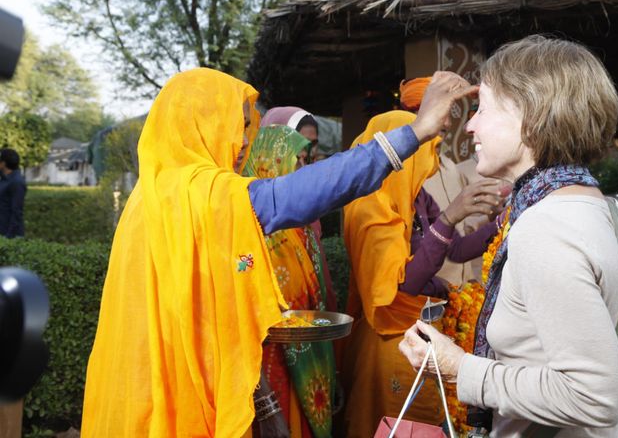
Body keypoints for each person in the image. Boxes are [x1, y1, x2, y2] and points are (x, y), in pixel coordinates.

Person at [80, 67, 472, 437]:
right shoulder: (202, 194)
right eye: (237, 126)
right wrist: (415, 132)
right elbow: (301, 195)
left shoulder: (152, 195)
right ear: (200, 123)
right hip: (174, 389)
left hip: (145, 383)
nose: (245, 142)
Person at [400, 36, 618, 438]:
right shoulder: (617, 218)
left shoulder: (545, 228)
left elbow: (594, 396)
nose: (471, 124)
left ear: (531, 115)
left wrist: (458, 365)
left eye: (483, 108)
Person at [339, 110, 507, 437]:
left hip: (420, 332)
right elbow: (405, 284)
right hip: (389, 342)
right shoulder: (371, 206)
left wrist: (502, 223)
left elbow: (454, 250)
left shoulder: (415, 197)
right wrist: (450, 216)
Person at [241, 121, 336, 437]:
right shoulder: (253, 228)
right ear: (271, 163)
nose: (302, 170)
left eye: (305, 161)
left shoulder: (301, 226)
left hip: (306, 353)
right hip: (272, 361)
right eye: (295, 161)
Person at [399, 78, 490, 285]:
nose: (449, 122)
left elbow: (456, 247)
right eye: (442, 110)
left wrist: (503, 219)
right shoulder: (402, 176)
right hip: (422, 302)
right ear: (416, 117)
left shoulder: (450, 167)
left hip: (459, 293)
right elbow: (404, 278)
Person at [0, 148, 26, 238]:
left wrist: (9, 236)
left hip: (9, 234)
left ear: (3, 163)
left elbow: (17, 212)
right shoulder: (4, 179)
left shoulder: (16, 182)